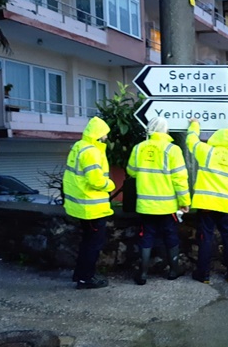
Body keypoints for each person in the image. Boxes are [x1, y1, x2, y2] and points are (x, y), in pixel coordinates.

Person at [126, 117, 190, 286]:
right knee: (170, 236)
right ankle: (173, 270)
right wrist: (184, 201)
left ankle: (143, 273)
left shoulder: (139, 148)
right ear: (165, 130)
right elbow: (180, 179)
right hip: (167, 206)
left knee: (146, 236)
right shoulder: (173, 150)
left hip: (145, 205)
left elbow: (131, 172)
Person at [186, 118, 228, 283]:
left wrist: (194, 124)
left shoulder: (207, 152)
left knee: (206, 237)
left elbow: (191, 140)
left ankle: (203, 274)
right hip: (225, 204)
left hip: (206, 204)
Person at [63, 116, 115, 290]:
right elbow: (96, 180)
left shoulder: (78, 147)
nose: (106, 137)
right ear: (99, 135)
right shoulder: (92, 151)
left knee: (86, 242)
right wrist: (110, 184)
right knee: (93, 244)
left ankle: (80, 274)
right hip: (91, 206)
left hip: (81, 205)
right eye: (105, 134)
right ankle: (86, 279)